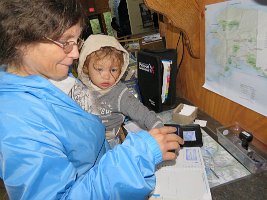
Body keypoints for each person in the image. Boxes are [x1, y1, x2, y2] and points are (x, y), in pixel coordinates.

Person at [0, 1, 183, 200]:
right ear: (20, 40)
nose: (76, 53)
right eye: (65, 42)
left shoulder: (57, 78)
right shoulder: (17, 124)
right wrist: (138, 155)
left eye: (76, 41)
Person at [73, 34, 164, 148]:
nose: (106, 76)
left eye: (113, 70)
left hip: (109, 144)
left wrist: (160, 129)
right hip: (82, 143)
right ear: (85, 68)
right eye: (99, 69)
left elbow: (143, 114)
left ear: (121, 69)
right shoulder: (77, 88)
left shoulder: (120, 94)